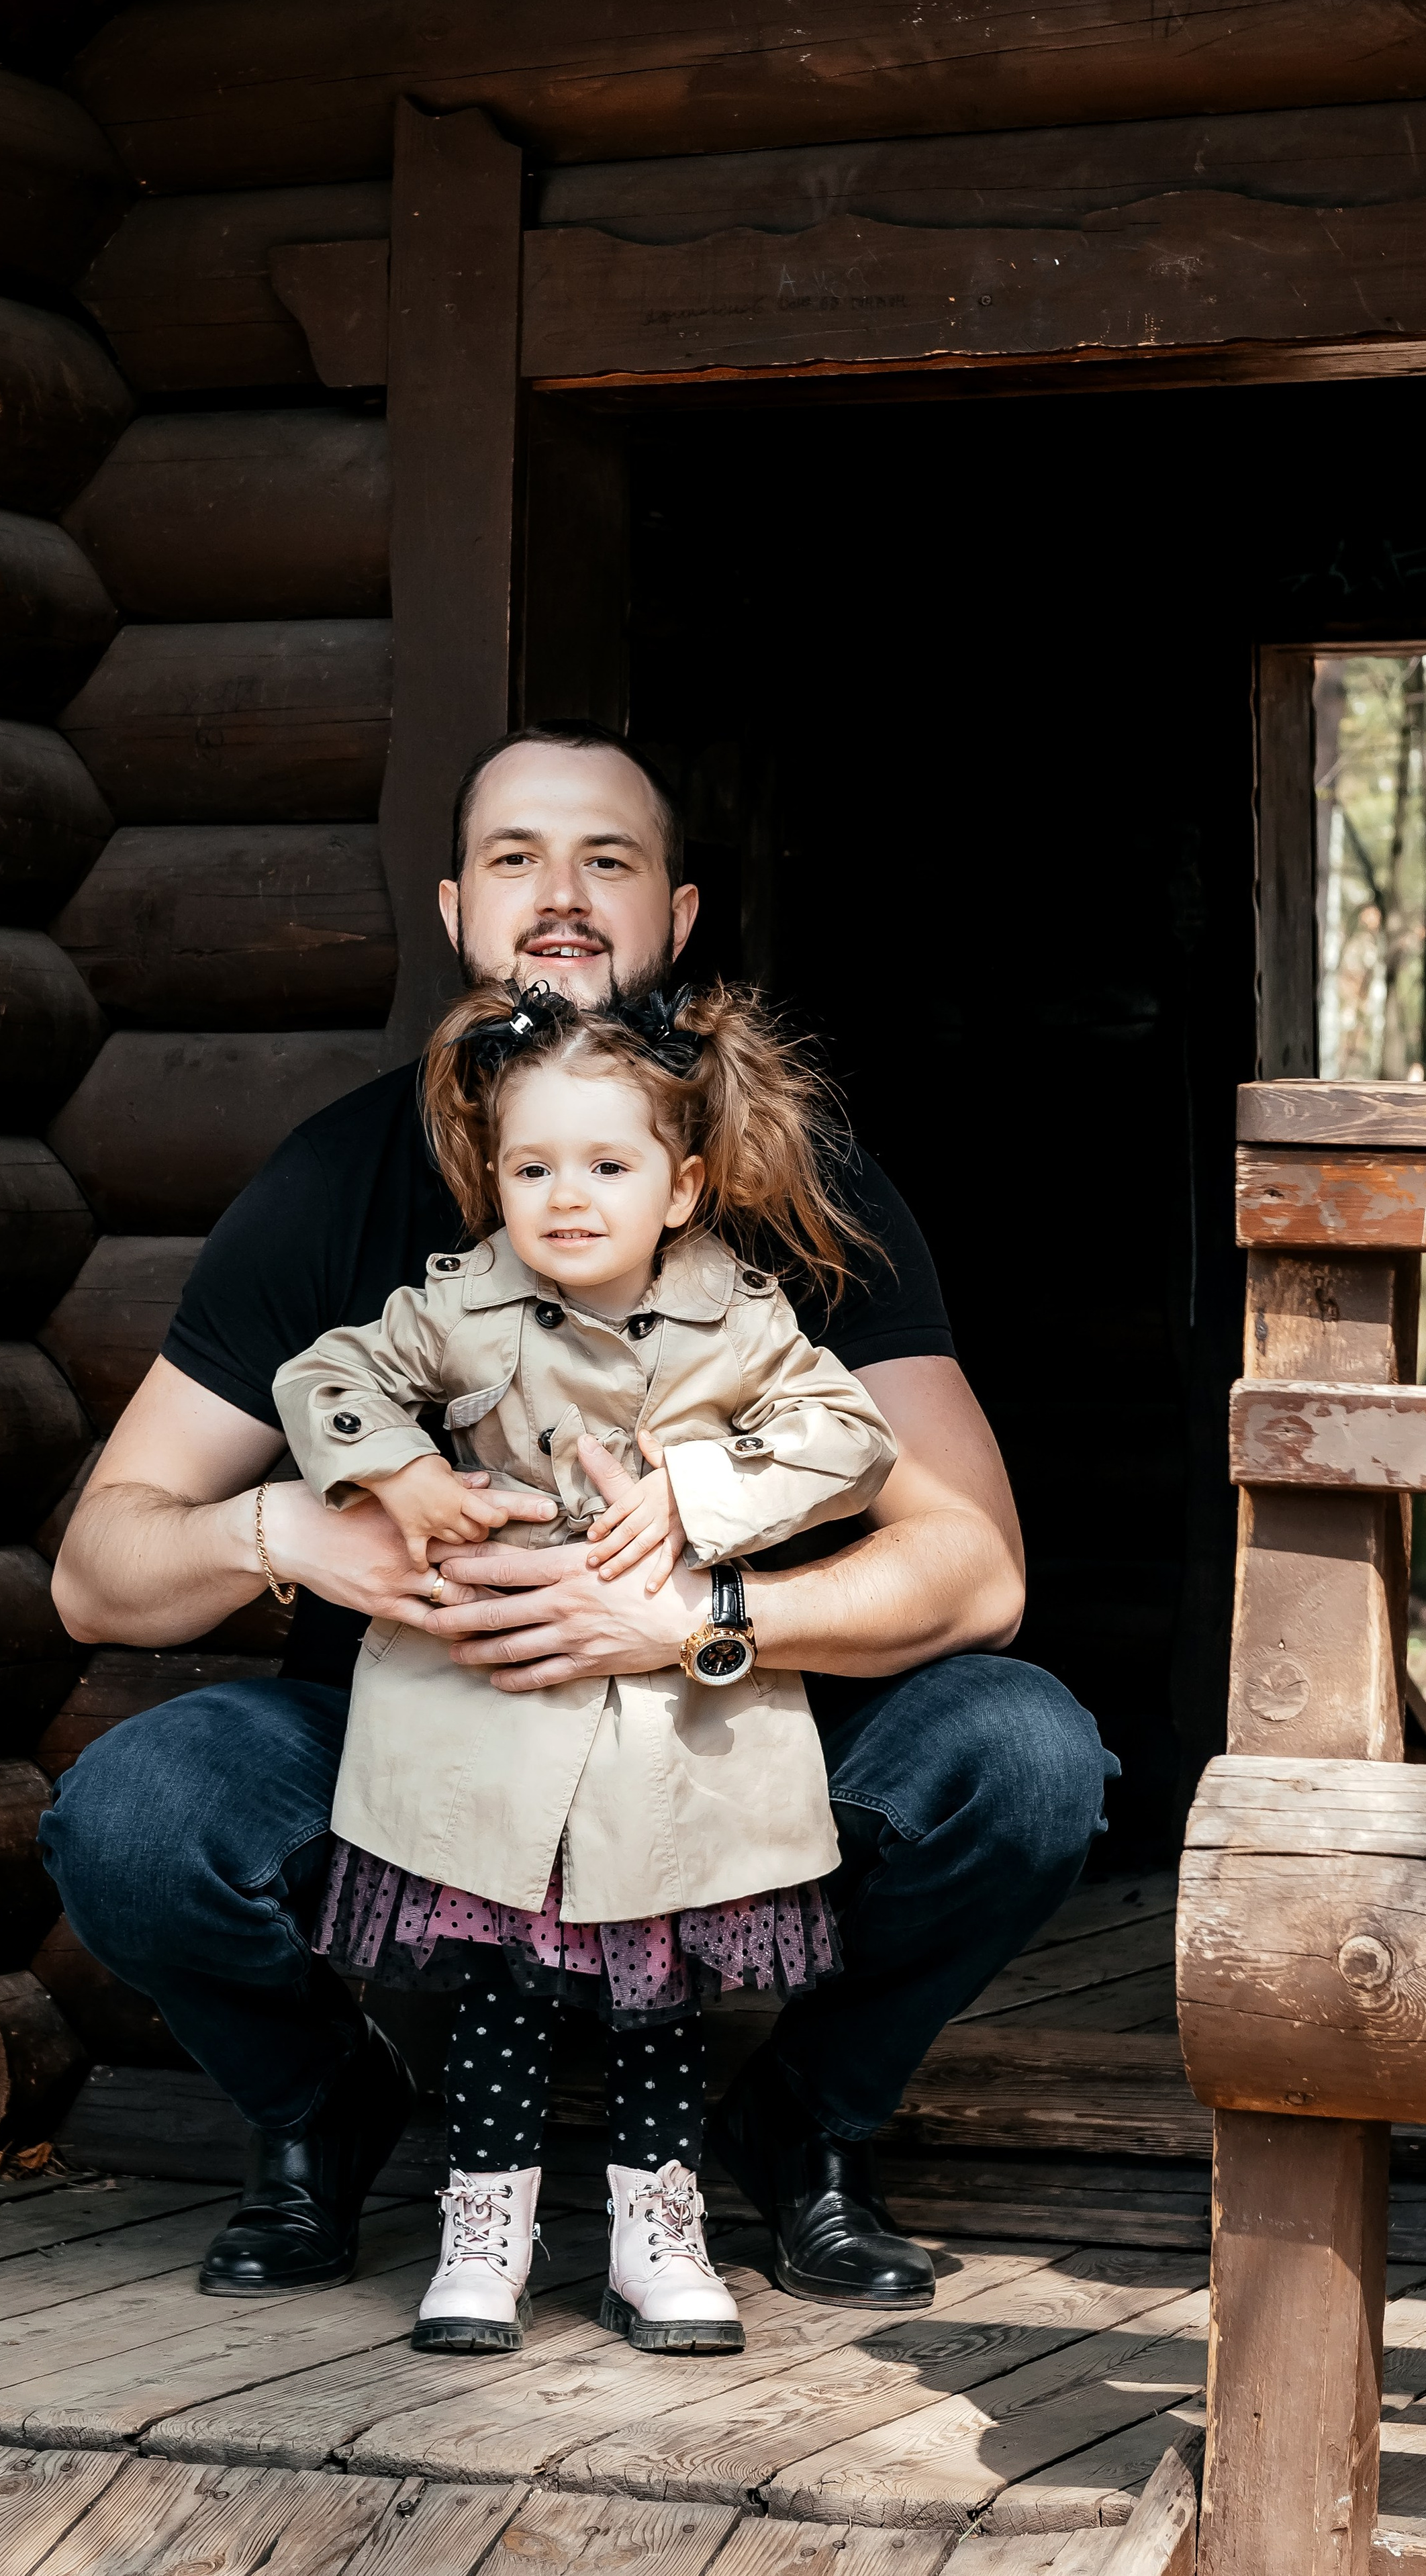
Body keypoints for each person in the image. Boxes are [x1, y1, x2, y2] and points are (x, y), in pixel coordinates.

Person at [43, 721, 1117, 2313]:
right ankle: (322, 2115)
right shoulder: (338, 1182)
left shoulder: (795, 1184)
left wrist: (701, 1616)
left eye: (604, 859)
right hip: (416, 1716)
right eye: (514, 859)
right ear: (454, 909)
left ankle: (803, 2125)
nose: (558, 895)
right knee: (127, 1816)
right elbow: (95, 1568)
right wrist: (290, 1534)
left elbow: (976, 1569)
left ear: (675, 920)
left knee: (1026, 1757)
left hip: (727, 1715)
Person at [278, 978, 896, 2354]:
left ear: (677, 1187)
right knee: (497, 1993)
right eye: (530, 1166)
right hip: (495, 1710)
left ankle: (653, 2231)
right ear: (492, 1178)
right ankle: (480, 2233)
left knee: (655, 1995)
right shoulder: (462, 1308)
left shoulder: (736, 1319)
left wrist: (690, 1490)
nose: (565, 1196)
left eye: (605, 1166)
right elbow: (329, 1374)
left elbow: (848, 1437)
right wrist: (398, 1475)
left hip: (662, 1725)